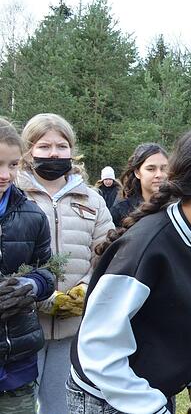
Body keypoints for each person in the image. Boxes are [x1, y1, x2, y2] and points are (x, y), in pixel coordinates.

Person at [67, 123, 191, 414]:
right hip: (110, 398)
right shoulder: (149, 246)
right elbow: (98, 349)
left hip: (148, 392)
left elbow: (187, 313)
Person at [16, 113, 115, 414]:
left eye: (61, 146)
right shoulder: (14, 195)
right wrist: (43, 296)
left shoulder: (93, 199)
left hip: (72, 327)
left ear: (72, 150)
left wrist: (85, 287)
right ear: (29, 150)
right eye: (44, 146)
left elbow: (107, 253)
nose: (54, 153)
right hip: (20, 326)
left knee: (60, 408)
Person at [0, 118, 55, 413]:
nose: (5, 175)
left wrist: (31, 284)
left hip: (16, 364)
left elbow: (48, 271)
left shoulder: (33, 216)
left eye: (12, 165)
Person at [110, 143, 168, 227]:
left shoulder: (178, 206)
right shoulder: (121, 209)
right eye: (151, 169)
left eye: (164, 169)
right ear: (137, 172)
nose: (159, 175)